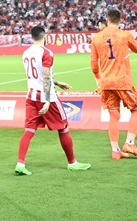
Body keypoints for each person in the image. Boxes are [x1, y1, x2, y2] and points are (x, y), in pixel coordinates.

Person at [15, 26, 91, 175]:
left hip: (31, 95)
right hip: (46, 95)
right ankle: (72, 163)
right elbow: (45, 76)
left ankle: (20, 163)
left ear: (32, 37)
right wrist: (48, 100)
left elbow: (40, 76)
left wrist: (58, 82)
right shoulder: (46, 52)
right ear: (45, 36)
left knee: (29, 130)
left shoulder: (26, 53)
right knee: (63, 127)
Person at [90, 8, 137, 160]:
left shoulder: (97, 38)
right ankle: (129, 143)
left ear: (107, 20)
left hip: (106, 82)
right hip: (122, 81)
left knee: (113, 114)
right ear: (120, 20)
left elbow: (94, 65)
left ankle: (115, 150)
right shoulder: (124, 35)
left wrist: (99, 79)